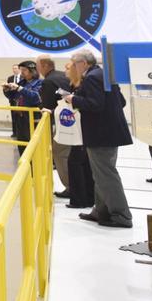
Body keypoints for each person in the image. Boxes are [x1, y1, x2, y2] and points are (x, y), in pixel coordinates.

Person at [64, 49, 133, 228]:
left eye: (73, 63)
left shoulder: (92, 77)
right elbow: (121, 102)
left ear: (83, 64)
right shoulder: (105, 74)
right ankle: (100, 210)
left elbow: (95, 104)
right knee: (101, 174)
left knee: (106, 175)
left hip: (101, 134)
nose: (72, 67)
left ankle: (121, 215)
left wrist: (74, 99)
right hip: (108, 133)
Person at [37, 55, 73, 198]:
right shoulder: (61, 76)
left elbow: (48, 106)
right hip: (72, 122)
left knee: (60, 154)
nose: (37, 69)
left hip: (63, 124)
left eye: (38, 65)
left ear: (45, 66)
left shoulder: (48, 81)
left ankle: (70, 187)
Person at [62, 59, 94, 209]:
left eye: (69, 68)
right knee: (81, 163)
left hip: (83, 131)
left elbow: (90, 103)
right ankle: (85, 198)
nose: (66, 71)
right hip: (79, 130)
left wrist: (73, 99)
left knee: (77, 162)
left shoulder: (85, 82)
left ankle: (81, 199)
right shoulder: (74, 84)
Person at [7, 60, 42, 157]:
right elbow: (14, 97)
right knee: (21, 143)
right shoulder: (22, 82)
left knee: (32, 144)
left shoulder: (39, 83)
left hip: (32, 117)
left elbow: (35, 97)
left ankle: (34, 167)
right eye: (21, 70)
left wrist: (19, 88)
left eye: (24, 70)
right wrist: (7, 90)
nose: (21, 73)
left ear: (33, 71)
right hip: (20, 117)